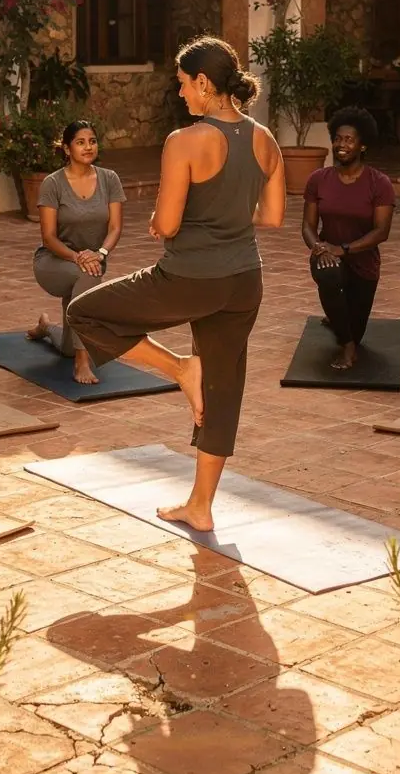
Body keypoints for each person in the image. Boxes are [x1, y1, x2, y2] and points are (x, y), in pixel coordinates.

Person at [68, 35, 285, 532]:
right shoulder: (265, 140)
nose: (182, 93)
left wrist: (166, 218)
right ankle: (201, 506)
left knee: (84, 313)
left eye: (184, 84)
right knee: (225, 389)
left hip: (190, 276)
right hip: (244, 281)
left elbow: (166, 225)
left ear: (205, 84)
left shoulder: (184, 141)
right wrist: (227, 209)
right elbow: (271, 216)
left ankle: (180, 369)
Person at [26, 119, 126, 384]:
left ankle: (46, 328)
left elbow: (115, 227)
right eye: (80, 142)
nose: (88, 147)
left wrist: (101, 254)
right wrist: (78, 256)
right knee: (90, 276)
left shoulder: (109, 179)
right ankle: (82, 363)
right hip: (54, 261)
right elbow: (48, 238)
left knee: (68, 345)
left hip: (93, 261)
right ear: (67, 149)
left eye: (92, 141)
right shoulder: (52, 183)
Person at [302, 106, 396, 370]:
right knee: (329, 274)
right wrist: (319, 248)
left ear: (362, 146)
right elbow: (308, 226)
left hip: (363, 262)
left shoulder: (379, 183)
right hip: (328, 255)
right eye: (338, 138)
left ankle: (341, 323)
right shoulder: (318, 179)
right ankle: (348, 346)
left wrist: (342, 248)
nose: (341, 145)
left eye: (349, 140)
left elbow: (381, 231)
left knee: (357, 327)